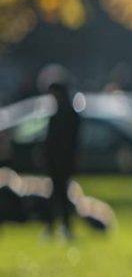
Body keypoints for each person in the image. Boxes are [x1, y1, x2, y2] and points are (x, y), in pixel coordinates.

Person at [43, 81, 80, 239]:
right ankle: (60, 226)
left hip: (61, 162)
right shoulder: (64, 112)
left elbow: (66, 141)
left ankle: (57, 227)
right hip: (59, 161)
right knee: (59, 194)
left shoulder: (65, 114)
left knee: (59, 194)